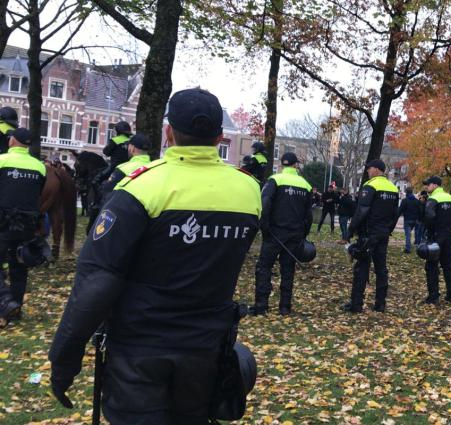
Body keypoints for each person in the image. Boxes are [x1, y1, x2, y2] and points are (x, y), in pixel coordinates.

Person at [48, 88, 262, 423]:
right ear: (219, 137)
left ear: (168, 132)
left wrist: (64, 359)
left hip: (139, 352)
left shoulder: (140, 188)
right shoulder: (248, 191)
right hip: (206, 351)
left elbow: (96, 282)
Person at [250, 152, 312, 316]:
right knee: (288, 270)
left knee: (264, 267)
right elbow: (308, 216)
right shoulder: (305, 185)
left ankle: (261, 305)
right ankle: (285, 307)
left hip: (273, 233)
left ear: (283, 165)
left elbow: (264, 203)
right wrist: (302, 235)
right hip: (294, 235)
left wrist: (264, 227)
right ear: (295, 165)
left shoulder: (275, 180)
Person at [0, 128, 46, 326]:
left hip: (2, 223)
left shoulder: (1, 161)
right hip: (27, 226)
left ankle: (6, 301)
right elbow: (38, 192)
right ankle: (15, 310)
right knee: (19, 267)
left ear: (12, 141)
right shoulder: (40, 167)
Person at [343, 159, 399, 313]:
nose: (367, 171)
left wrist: (350, 230)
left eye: (369, 168)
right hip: (383, 233)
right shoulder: (393, 189)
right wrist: (388, 229)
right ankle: (380, 304)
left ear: (377, 169)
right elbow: (395, 214)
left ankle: (356, 305)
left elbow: (362, 210)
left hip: (368, 233)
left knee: (361, 267)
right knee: (381, 268)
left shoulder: (370, 186)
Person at [421, 177, 451, 303]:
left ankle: (433, 296)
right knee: (448, 266)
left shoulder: (433, 199)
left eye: (428, 185)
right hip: (448, 236)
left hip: (435, 236)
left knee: (431, 266)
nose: (427, 187)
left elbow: (429, 216)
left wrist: (430, 229)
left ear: (434, 185)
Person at [99, 133, 152, 202]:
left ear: (132, 148)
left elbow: (107, 192)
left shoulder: (123, 168)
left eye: (128, 146)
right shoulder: (155, 168)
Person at [398, 187, 422, 253]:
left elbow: (400, 210)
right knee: (417, 233)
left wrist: (396, 217)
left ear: (406, 192)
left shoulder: (404, 201)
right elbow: (420, 210)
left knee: (408, 235)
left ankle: (408, 248)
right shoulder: (417, 201)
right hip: (416, 219)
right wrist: (420, 219)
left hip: (407, 219)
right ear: (412, 192)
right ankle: (418, 247)